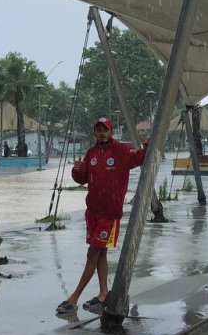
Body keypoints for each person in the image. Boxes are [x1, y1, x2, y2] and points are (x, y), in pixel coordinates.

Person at [56, 117, 147, 314]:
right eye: (98, 130)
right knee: (101, 253)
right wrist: (76, 171)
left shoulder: (122, 151)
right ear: (94, 133)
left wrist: (148, 146)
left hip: (110, 214)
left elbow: (141, 157)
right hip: (93, 212)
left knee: (93, 253)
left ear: (111, 131)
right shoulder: (91, 154)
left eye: (105, 130)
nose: (101, 133)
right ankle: (103, 292)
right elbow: (82, 179)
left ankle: (74, 297)